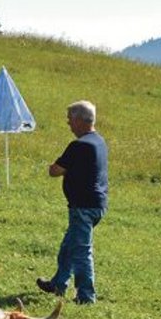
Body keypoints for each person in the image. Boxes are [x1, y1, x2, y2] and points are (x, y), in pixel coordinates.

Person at [37, 100, 108, 304]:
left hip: (83, 206)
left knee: (81, 250)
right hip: (97, 204)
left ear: (79, 120)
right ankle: (58, 283)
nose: (68, 124)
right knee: (69, 245)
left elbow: (55, 170)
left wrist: (62, 168)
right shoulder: (99, 141)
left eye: (70, 119)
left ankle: (86, 295)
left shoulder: (79, 145)